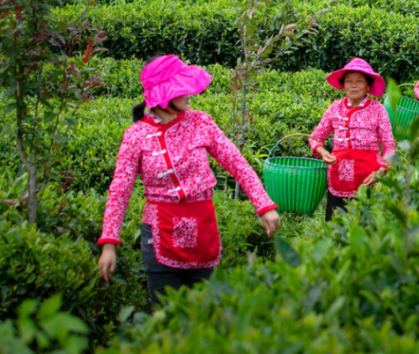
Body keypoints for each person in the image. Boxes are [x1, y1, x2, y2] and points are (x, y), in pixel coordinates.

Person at [97, 55, 281, 306]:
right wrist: (109, 243)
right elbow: (120, 189)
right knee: (167, 321)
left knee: (205, 320)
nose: (190, 93)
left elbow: (237, 164)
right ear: (163, 93)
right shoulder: (136, 135)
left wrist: (264, 206)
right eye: (180, 87)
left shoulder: (201, 122)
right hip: (160, 235)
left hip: (203, 232)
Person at [308, 58, 396, 221]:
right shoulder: (335, 108)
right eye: (349, 81)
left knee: (366, 231)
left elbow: (389, 146)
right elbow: (315, 137)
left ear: (368, 86)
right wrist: (321, 151)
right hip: (339, 179)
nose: (353, 85)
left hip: (369, 178)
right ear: (343, 85)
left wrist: (382, 170)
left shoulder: (378, 110)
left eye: (359, 81)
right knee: (336, 229)